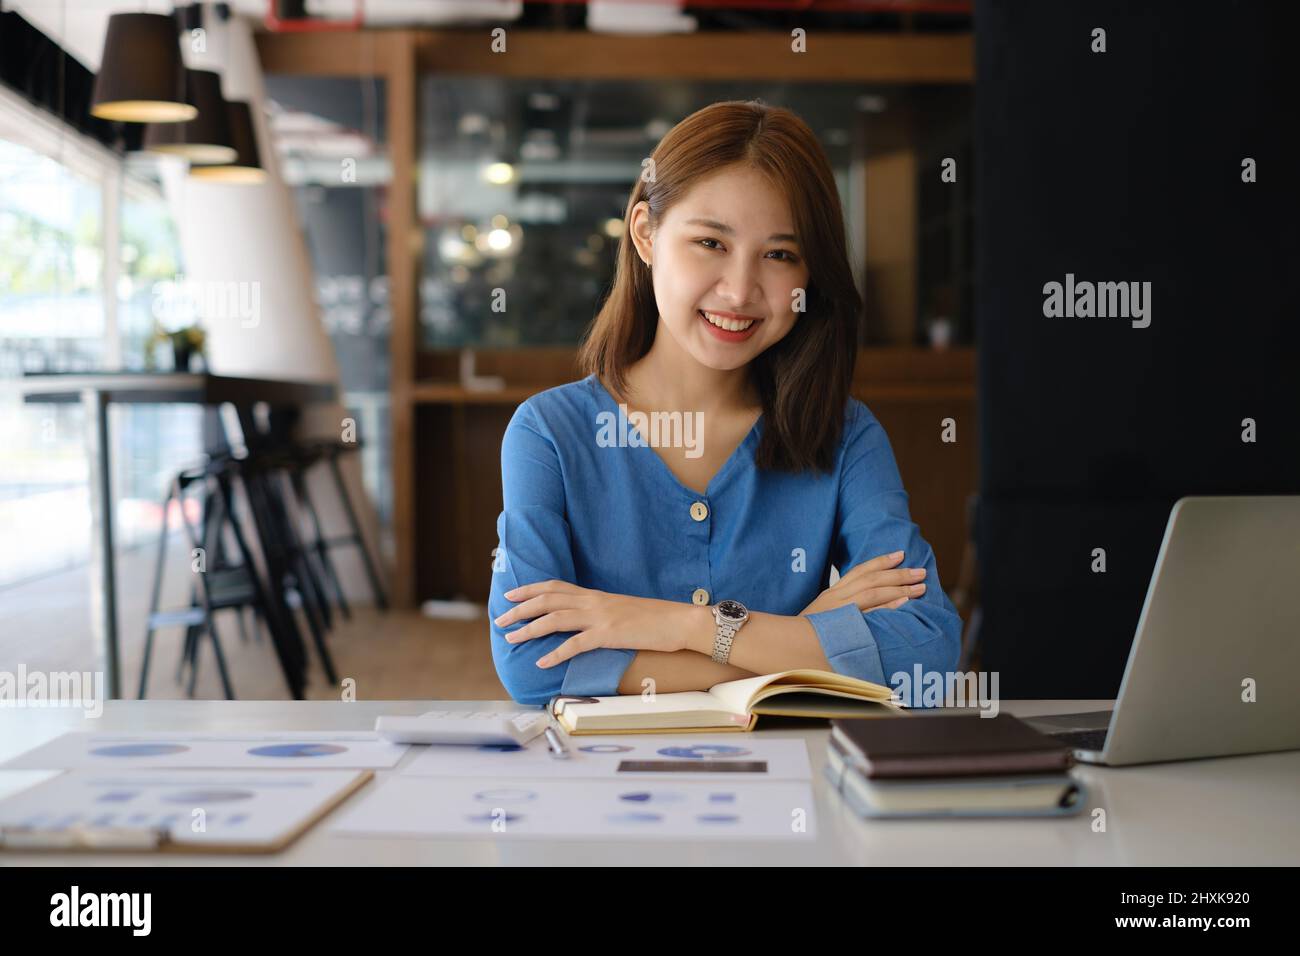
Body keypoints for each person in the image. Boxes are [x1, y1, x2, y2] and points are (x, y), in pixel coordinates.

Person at [489, 100, 961, 707]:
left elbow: (925, 655)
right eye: (711, 242)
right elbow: (532, 666)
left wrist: (687, 626)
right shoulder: (549, 434)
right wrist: (803, 644)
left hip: (796, 783)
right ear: (645, 234)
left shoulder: (846, 435)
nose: (740, 291)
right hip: (603, 787)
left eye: (780, 255)